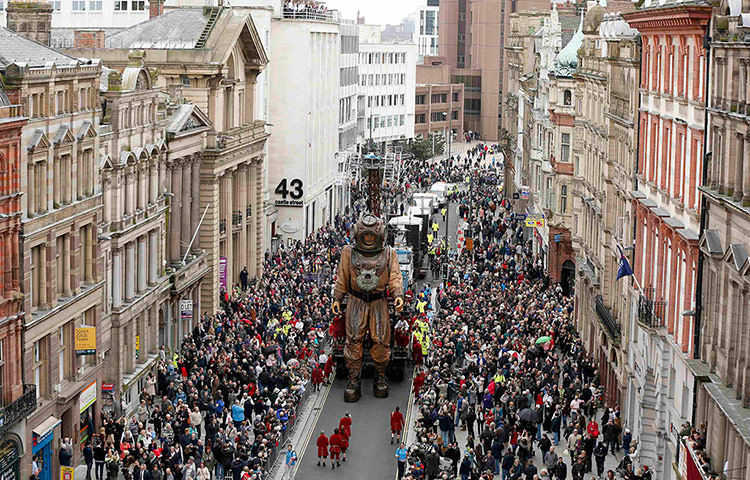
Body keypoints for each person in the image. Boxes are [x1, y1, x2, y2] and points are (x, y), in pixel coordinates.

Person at [331, 214, 404, 401]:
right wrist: (337, 299)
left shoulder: (389, 253)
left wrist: (397, 295)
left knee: (380, 340)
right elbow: (342, 278)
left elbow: (395, 277)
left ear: (380, 235)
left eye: (373, 236)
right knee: (353, 340)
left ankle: (380, 375)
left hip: (379, 301)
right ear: (358, 235)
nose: (370, 239)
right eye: (366, 236)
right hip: (356, 301)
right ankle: (354, 378)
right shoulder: (349, 253)